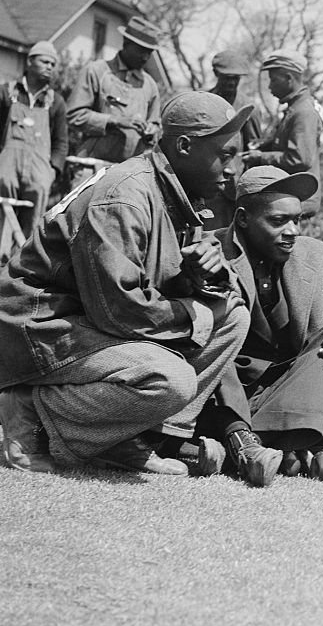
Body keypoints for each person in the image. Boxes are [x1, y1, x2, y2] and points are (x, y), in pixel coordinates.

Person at [0, 91, 251, 476]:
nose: (234, 168)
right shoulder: (126, 196)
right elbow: (119, 310)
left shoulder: (177, 192)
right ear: (184, 146)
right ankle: (28, 408)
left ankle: (132, 437)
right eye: (226, 154)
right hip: (39, 326)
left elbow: (163, 282)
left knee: (232, 316)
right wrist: (196, 313)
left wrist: (210, 275)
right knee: (170, 378)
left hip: (85, 324)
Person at [193, 165, 323, 487]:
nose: (293, 231)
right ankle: (289, 444)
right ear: (242, 218)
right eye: (278, 221)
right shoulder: (210, 254)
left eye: (297, 219)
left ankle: (244, 445)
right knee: (212, 331)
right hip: (229, 394)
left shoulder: (317, 255)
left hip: (296, 387)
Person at [66, 16, 163, 164]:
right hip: (94, 167)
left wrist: (151, 132)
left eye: (149, 52)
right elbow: (74, 115)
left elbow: (155, 125)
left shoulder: (150, 85)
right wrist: (115, 121)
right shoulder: (97, 71)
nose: (145, 57)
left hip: (130, 173)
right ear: (126, 43)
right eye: (141, 50)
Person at [242, 50, 323, 218]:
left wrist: (260, 157)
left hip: (298, 201)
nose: (270, 86)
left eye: (273, 80)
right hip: (291, 197)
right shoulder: (295, 108)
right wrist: (264, 145)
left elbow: (299, 159)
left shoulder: (303, 112)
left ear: (288, 78)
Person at [0, 41, 68, 240]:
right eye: (45, 61)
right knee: (2, 215)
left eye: (53, 64)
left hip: (39, 170)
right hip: (7, 167)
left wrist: (53, 171)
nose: (49, 67)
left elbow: (61, 142)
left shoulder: (56, 102)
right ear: (30, 61)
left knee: (32, 226)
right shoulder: (7, 92)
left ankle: (22, 266)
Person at [205, 49, 264, 228]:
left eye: (235, 78)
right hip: (206, 185)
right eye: (227, 77)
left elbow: (254, 152)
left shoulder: (249, 109)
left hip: (235, 189)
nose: (231, 83)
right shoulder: (204, 103)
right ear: (216, 74)